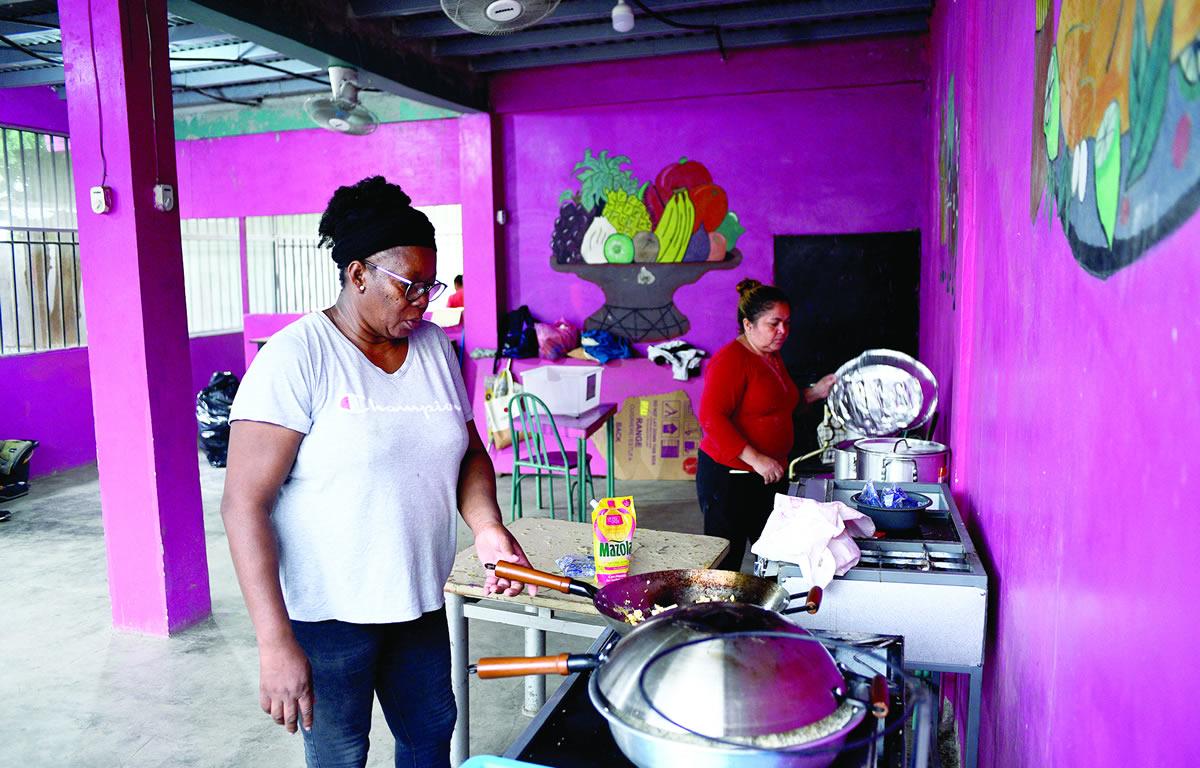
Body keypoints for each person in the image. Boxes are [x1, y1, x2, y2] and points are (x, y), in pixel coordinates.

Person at [220, 176, 536, 768]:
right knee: (341, 752)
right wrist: (273, 640)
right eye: (409, 286)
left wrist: (488, 528)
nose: (424, 301)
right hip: (330, 615)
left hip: (418, 599)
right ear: (358, 273)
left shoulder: (437, 348)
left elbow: (467, 452)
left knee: (431, 733)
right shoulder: (296, 357)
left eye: (431, 286)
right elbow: (244, 504)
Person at [697, 279, 837, 571]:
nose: (783, 331)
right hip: (731, 477)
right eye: (774, 323)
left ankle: (761, 612)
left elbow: (782, 402)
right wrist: (757, 459)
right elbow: (711, 418)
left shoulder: (771, 357)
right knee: (727, 561)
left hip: (765, 477)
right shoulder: (731, 360)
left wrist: (816, 392)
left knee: (774, 552)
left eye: (786, 323)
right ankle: (720, 616)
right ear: (749, 325)